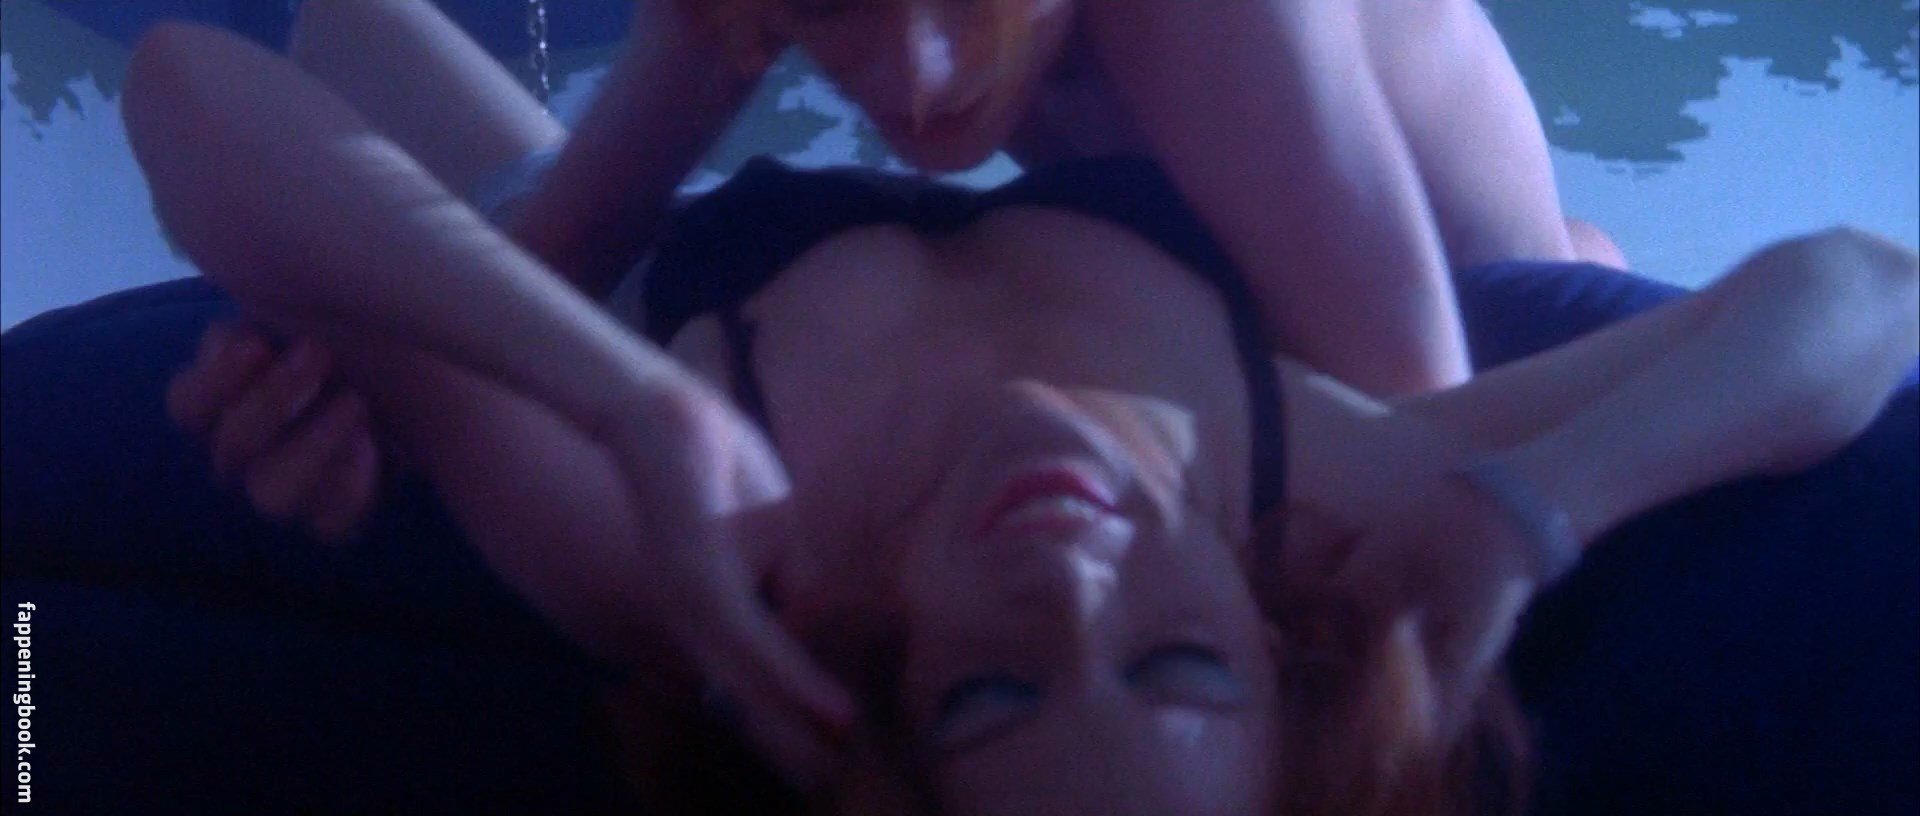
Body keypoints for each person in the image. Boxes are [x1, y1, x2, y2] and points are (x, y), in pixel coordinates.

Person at [126, 16, 1919, 816]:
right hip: (1266, 170)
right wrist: (1541, 504)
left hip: (686, 271)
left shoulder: (736, 546)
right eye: (1175, 666)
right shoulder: (1332, 488)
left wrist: (609, 391)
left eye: (989, 695)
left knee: (344, 23)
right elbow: (1871, 288)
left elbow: (186, 94)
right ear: (1270, 634)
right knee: (1534, 271)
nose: (1070, 584)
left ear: (875, 703)